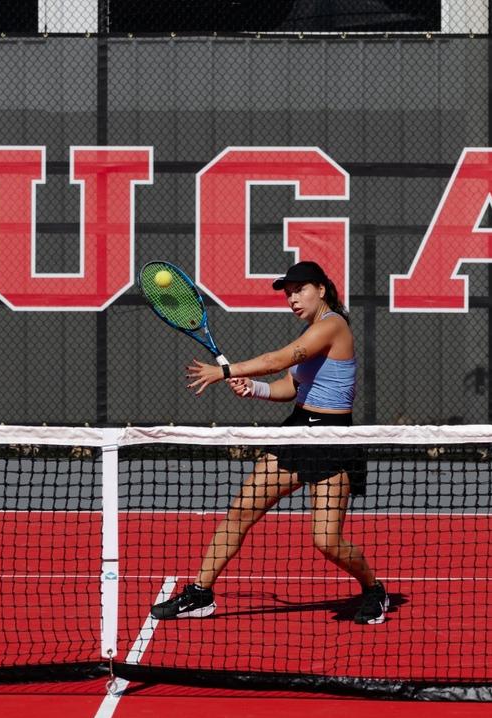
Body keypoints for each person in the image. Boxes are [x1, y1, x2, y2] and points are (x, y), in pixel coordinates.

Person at [149, 260, 388, 625]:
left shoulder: (334, 325)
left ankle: (373, 589)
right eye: (288, 294)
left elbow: (277, 360)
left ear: (321, 289)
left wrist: (223, 371)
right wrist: (255, 389)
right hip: (297, 432)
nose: (292, 299)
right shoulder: (311, 330)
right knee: (241, 512)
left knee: (326, 541)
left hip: (332, 438)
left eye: (299, 290)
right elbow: (290, 387)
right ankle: (200, 593)